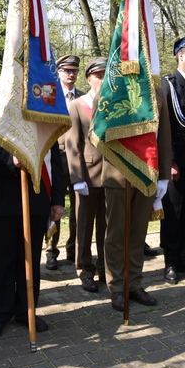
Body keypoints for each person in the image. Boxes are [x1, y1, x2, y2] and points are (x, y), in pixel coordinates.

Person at [0, 110, 65, 337]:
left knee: (29, 261)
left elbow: (54, 161)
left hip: (35, 201)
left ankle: (27, 310)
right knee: (0, 261)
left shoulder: (38, 116)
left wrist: (57, 200)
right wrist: (11, 161)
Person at [99, 87, 172, 311]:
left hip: (147, 171)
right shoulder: (111, 87)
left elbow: (164, 134)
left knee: (138, 232)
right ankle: (117, 287)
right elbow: (98, 128)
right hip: (117, 172)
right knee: (116, 233)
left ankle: (135, 283)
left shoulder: (157, 92)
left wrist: (164, 175)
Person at [159, 34, 185, 284]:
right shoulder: (168, 84)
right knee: (173, 212)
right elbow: (162, 128)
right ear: (180, 55)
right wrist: (170, 161)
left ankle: (184, 254)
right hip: (176, 157)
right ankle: (170, 261)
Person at [66, 58, 108, 292]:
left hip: (111, 175)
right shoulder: (77, 105)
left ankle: (104, 267)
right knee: (84, 225)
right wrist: (76, 177)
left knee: (107, 225)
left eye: (105, 75)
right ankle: (84, 268)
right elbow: (73, 145)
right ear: (89, 78)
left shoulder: (114, 104)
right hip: (87, 175)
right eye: (98, 75)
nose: (101, 80)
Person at [45, 54, 84, 270]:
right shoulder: (49, 95)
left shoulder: (84, 97)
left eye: (75, 71)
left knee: (79, 208)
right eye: (67, 70)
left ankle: (74, 249)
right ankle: (52, 250)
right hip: (57, 158)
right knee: (56, 206)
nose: (71, 74)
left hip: (78, 160)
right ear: (58, 72)